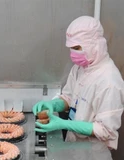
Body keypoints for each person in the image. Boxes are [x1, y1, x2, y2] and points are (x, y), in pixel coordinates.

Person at [32, 16, 124, 150]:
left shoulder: (109, 82)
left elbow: (106, 130)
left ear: (94, 46)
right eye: (71, 48)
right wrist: (53, 105)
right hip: (73, 145)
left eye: (77, 47)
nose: (73, 53)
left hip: (93, 151)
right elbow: (69, 98)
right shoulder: (81, 68)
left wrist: (64, 124)